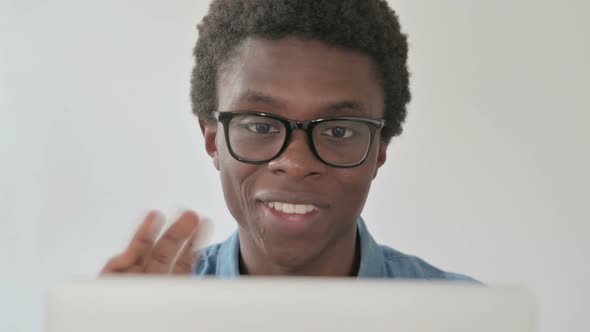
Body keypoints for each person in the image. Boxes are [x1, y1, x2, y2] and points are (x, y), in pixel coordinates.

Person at [101, 0, 475, 280]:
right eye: (261, 126)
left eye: (338, 131)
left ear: (379, 150)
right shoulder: (149, 314)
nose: (296, 164)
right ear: (213, 139)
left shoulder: (470, 320)